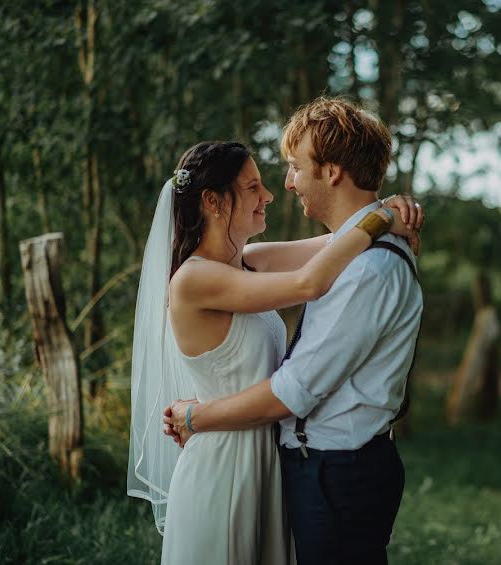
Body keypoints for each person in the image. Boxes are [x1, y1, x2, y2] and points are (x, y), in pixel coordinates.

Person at [127, 136, 422, 564]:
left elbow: (341, 241)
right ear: (213, 201)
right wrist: (379, 218)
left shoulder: (249, 261)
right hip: (225, 465)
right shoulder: (193, 280)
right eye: (252, 188)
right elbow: (309, 283)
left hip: (269, 460)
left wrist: (392, 210)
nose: (268, 195)